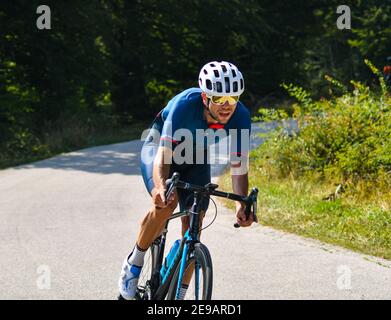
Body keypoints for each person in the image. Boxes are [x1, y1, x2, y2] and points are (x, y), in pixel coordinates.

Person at [118, 61, 253, 300]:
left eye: (232, 98)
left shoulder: (241, 116)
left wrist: (241, 203)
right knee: (165, 204)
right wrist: (160, 187)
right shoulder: (184, 105)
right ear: (205, 98)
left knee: (194, 224)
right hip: (161, 150)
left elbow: (238, 165)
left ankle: (179, 294)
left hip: (196, 157)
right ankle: (134, 264)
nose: (226, 106)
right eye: (219, 98)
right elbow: (163, 156)